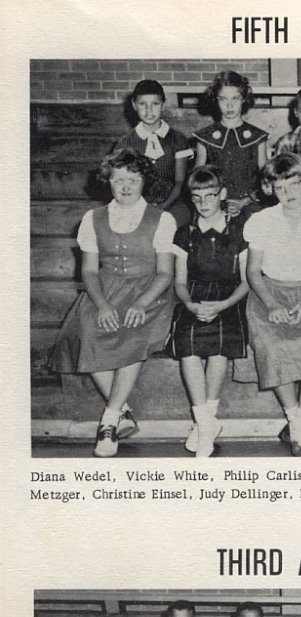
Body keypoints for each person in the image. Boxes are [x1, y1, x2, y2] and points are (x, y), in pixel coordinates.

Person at [50, 148, 175, 457]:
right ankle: (124, 412)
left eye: (133, 179)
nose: (126, 186)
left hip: (150, 291)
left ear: (144, 181)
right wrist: (103, 305)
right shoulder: (92, 218)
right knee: (83, 331)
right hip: (106, 288)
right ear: (108, 181)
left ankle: (108, 421)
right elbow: (89, 270)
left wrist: (141, 303)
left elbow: (165, 274)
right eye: (119, 179)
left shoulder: (163, 219)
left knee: (134, 333)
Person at [244, 153, 301, 456]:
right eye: (281, 187)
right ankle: (294, 420)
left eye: (295, 185)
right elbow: (253, 271)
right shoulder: (260, 220)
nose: (289, 194)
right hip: (267, 295)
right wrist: (271, 304)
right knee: (273, 348)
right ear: (270, 188)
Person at [170, 165, 249, 457]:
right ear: (191, 199)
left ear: (223, 195)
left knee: (218, 348)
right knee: (188, 347)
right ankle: (206, 424)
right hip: (195, 297)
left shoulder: (238, 233)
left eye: (211, 195)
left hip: (229, 298)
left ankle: (205, 422)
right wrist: (190, 304)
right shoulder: (185, 234)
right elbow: (179, 282)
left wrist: (225, 305)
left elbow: (247, 281)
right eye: (197, 197)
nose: (204, 203)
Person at [193, 69, 267, 218]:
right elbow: (197, 180)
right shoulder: (205, 137)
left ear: (244, 99)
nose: (229, 105)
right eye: (223, 99)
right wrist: (218, 202)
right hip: (214, 205)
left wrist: (245, 201)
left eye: (235, 98)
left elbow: (266, 178)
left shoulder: (257, 137)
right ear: (215, 99)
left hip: (251, 203)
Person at [114, 79, 192, 214]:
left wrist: (163, 207)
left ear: (163, 105)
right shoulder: (126, 142)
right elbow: (124, 182)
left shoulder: (178, 140)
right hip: (136, 207)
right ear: (134, 105)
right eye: (142, 104)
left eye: (155, 104)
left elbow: (180, 181)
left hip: (173, 205)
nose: (149, 110)